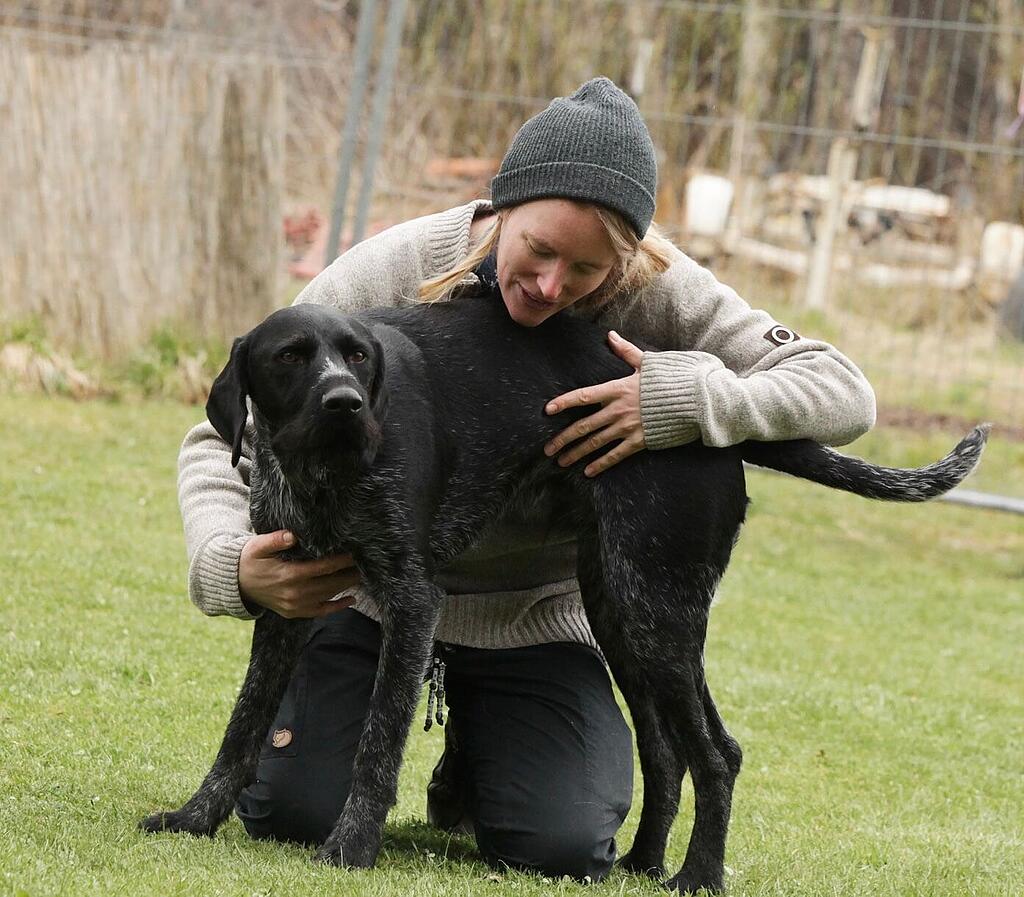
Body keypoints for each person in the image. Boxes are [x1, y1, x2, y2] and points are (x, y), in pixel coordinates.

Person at [177, 77, 875, 881]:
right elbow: (223, 437)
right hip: (362, 607)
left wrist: (685, 398)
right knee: (291, 812)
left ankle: (489, 748)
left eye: (585, 269)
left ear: (626, 259)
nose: (551, 286)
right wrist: (232, 564)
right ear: (502, 206)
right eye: (539, 250)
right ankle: (456, 754)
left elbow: (843, 392)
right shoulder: (392, 268)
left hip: (533, 623)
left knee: (562, 844)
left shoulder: (662, 285)